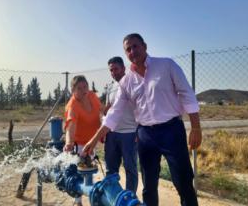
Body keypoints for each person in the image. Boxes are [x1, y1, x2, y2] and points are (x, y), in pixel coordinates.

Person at [83, 33, 202, 206]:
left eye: (135, 46)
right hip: (146, 135)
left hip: (171, 130)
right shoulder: (126, 82)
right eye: (128, 49)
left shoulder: (166, 65)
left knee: (183, 182)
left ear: (144, 46)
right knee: (149, 186)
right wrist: (93, 141)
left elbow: (187, 94)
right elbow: (114, 114)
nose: (132, 51)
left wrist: (196, 127)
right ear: (126, 54)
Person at [63, 75, 102, 206]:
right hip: (79, 144)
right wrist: (69, 142)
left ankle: (90, 195)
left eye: (85, 86)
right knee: (79, 171)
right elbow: (70, 126)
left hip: (92, 141)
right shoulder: (72, 105)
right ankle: (78, 201)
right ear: (73, 90)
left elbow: (101, 110)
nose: (83, 90)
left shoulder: (92, 96)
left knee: (89, 169)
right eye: (79, 88)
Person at [104, 56, 138, 193]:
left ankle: (130, 198)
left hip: (129, 134)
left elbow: (140, 108)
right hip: (112, 134)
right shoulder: (111, 87)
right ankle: (113, 197)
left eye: (116, 69)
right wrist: (103, 129)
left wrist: (139, 131)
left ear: (123, 68)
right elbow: (107, 108)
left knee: (130, 169)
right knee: (111, 169)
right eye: (111, 70)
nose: (113, 73)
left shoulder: (133, 83)